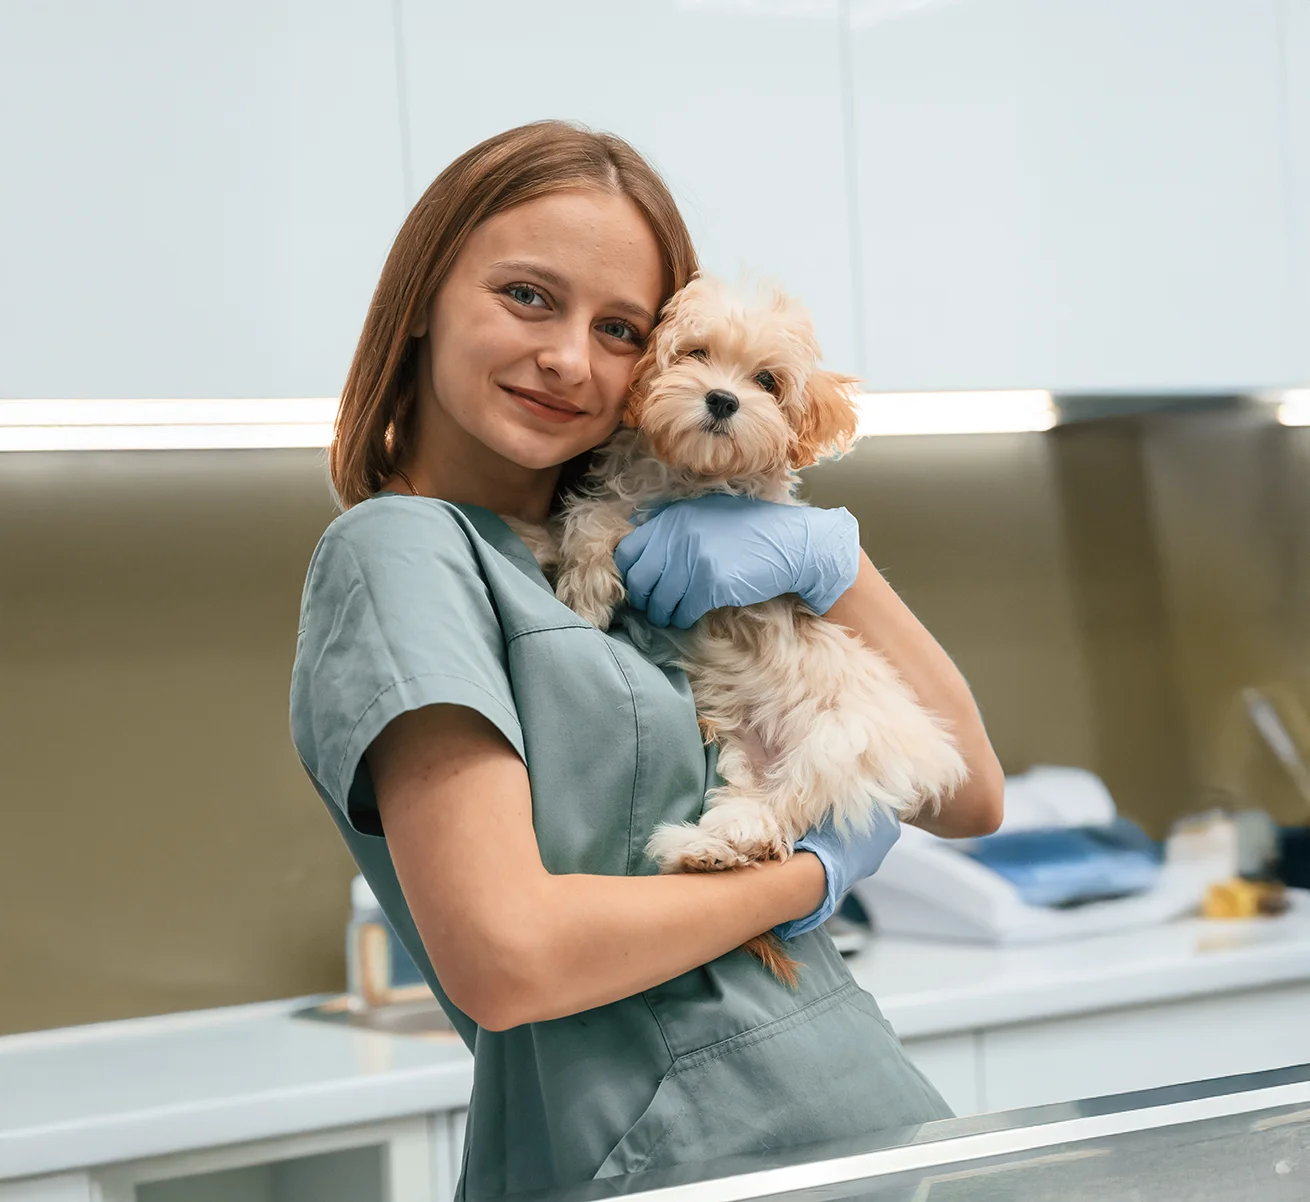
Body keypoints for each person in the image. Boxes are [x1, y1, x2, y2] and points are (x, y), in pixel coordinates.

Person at [289, 120, 1004, 1201]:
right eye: (527, 295)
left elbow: (967, 791)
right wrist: (809, 877)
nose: (570, 357)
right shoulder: (401, 553)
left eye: (619, 326)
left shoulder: (624, 549)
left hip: (855, 1109)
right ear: (425, 300)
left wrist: (825, 560)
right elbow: (508, 956)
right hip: (661, 1151)